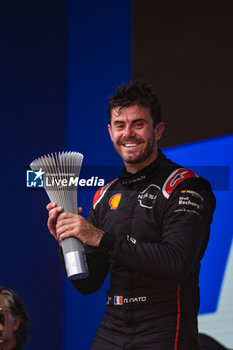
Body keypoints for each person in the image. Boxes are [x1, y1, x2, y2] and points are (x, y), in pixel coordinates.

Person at [47, 81, 216, 349]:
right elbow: (88, 282)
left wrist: (100, 237)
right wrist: (67, 241)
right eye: (120, 125)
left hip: (164, 328)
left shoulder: (186, 185)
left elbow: (176, 263)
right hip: (112, 327)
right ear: (110, 132)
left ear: (157, 130)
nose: (128, 133)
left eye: (138, 124)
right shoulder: (104, 195)